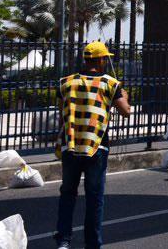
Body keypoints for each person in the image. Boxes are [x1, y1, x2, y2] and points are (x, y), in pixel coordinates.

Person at [54, 41, 131, 249]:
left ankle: (63, 240)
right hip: (97, 146)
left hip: (70, 145)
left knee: (68, 193)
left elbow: (62, 111)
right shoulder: (110, 84)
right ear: (100, 59)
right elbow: (126, 111)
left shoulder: (65, 82)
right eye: (105, 58)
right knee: (95, 197)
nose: (106, 61)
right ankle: (92, 244)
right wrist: (124, 95)